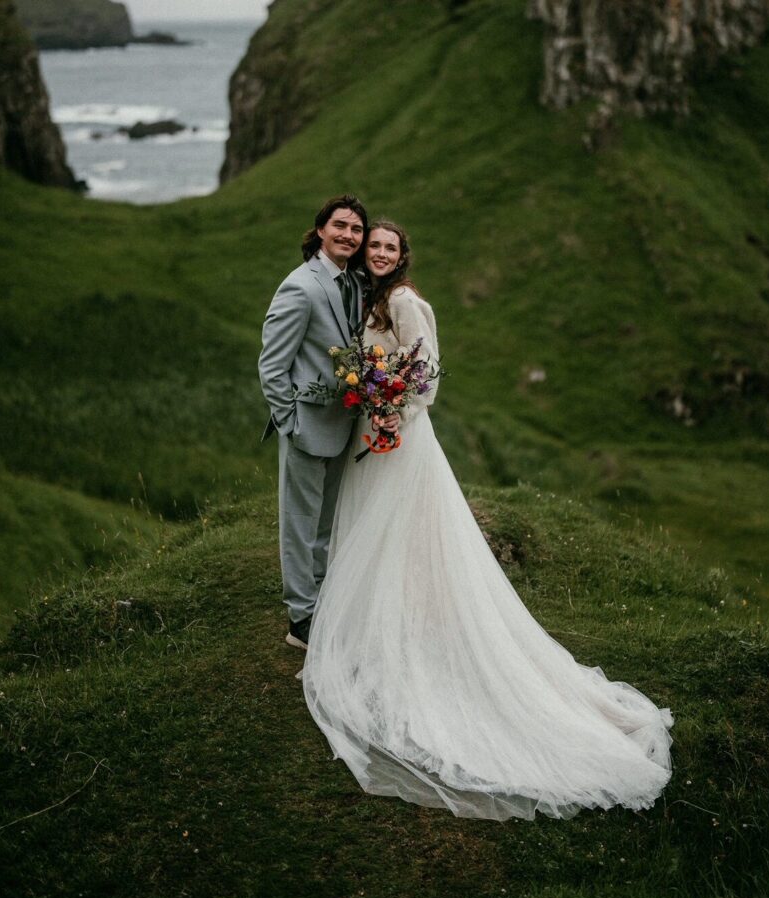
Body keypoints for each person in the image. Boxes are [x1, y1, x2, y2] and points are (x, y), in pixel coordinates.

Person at [300, 219, 674, 822]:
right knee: (378, 536)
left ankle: (415, 634)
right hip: (372, 433)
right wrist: (371, 398)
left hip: (402, 439)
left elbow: (426, 375)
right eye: (374, 246)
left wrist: (395, 408)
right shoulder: (368, 299)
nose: (380, 253)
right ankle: (382, 625)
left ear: (401, 257)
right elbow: (371, 365)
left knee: (406, 534)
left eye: (390, 247)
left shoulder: (404, 302)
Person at [259, 194, 399, 650]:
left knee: (326, 521)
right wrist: (290, 422)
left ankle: (321, 601)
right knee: (299, 521)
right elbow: (272, 365)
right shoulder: (300, 286)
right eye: (340, 226)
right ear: (320, 230)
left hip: (344, 422)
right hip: (306, 425)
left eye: (356, 230)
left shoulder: (354, 283)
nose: (349, 235)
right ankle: (301, 618)